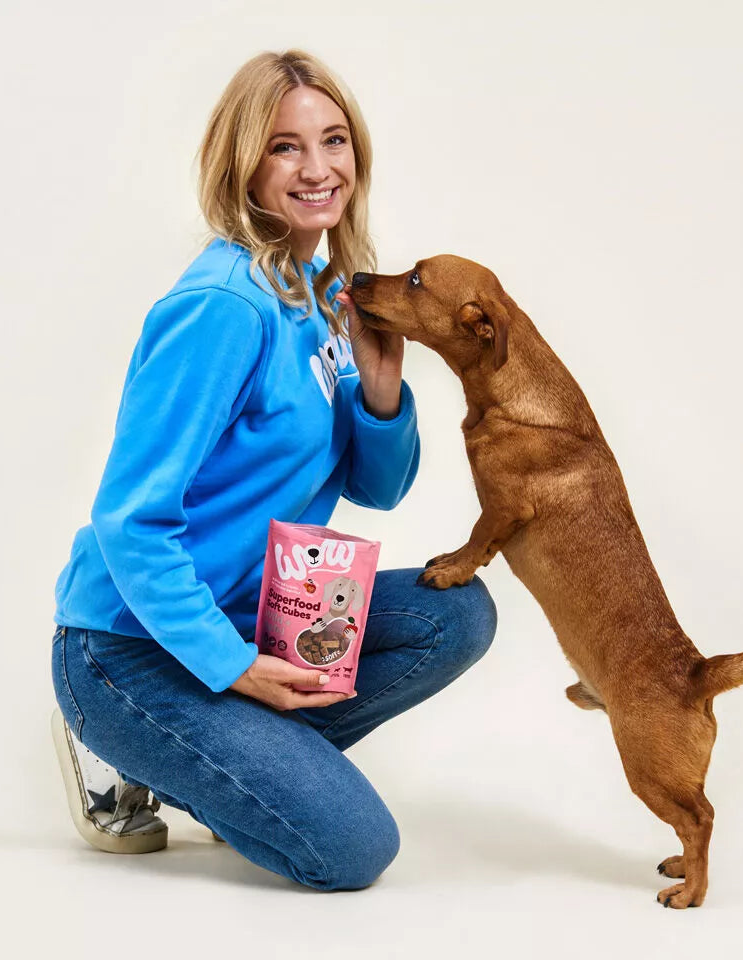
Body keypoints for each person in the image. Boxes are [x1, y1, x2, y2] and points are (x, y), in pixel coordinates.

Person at [50, 49, 497, 891]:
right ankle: (127, 747)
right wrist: (233, 667)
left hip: (258, 614)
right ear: (243, 164)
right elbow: (129, 520)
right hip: (129, 647)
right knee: (353, 849)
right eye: (285, 147)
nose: (319, 168)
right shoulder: (222, 309)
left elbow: (380, 489)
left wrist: (381, 386)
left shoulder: (323, 291)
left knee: (457, 614)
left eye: (334, 140)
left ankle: (230, 769)